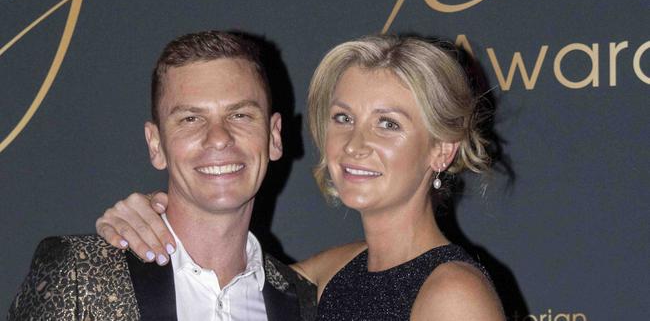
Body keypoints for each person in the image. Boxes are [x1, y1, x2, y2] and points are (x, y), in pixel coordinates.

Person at [95, 35, 505, 320]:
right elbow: (218, 273)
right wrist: (145, 216)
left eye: (388, 124)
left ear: (442, 148)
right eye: (344, 118)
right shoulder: (325, 276)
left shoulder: (454, 294)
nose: (354, 144)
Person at [8, 31, 316, 321]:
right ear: (156, 144)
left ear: (274, 137)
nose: (219, 138)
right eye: (191, 118)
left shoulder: (304, 304)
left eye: (240, 115)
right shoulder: (81, 273)